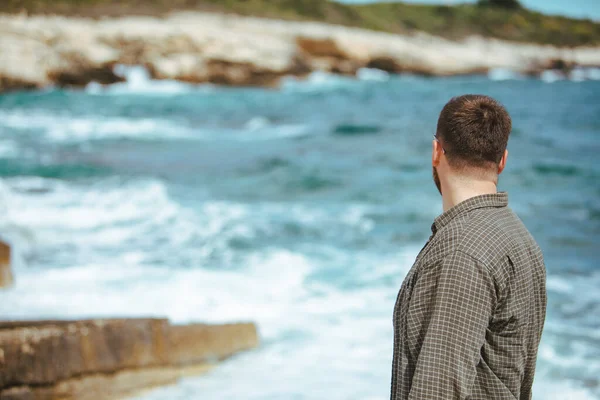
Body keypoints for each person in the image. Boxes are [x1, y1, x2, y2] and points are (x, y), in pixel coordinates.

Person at [390, 95, 547, 400]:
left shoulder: (459, 252)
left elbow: (437, 391)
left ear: (436, 152)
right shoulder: (521, 239)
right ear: (502, 160)